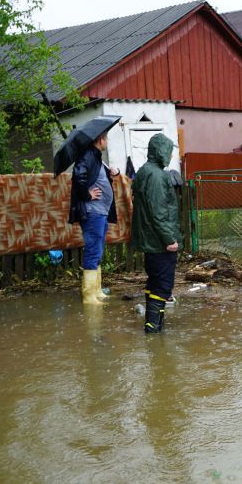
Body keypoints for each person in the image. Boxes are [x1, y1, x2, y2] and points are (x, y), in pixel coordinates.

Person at [131, 133, 181, 333]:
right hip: (159, 243)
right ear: (160, 151)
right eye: (168, 152)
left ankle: (155, 325)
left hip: (150, 241)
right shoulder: (157, 176)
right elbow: (158, 212)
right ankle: (152, 330)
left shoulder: (145, 171)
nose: (170, 156)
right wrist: (169, 239)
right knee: (162, 285)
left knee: (154, 283)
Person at [69, 132, 120, 305]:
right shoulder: (88, 155)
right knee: (93, 250)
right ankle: (89, 296)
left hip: (101, 212)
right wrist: (87, 195)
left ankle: (97, 290)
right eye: (106, 138)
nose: (107, 141)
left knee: (97, 250)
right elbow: (78, 176)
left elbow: (102, 176)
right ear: (100, 140)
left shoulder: (96, 156)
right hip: (92, 212)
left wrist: (115, 172)